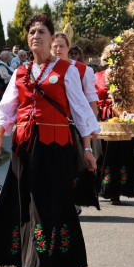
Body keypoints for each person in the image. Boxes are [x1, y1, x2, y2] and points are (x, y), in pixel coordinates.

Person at [0, 12, 100, 267]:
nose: (35, 36)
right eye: (32, 32)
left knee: (47, 204)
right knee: (24, 202)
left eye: (41, 32)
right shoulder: (20, 71)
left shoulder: (66, 71)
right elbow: (8, 107)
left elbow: (81, 111)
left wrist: (87, 148)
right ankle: (41, 265)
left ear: (52, 39)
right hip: (25, 148)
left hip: (56, 148)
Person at [51, 32, 100, 213]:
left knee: (76, 164)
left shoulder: (82, 69)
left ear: (68, 48)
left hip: (77, 124)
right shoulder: (45, 68)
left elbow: (91, 100)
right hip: (57, 123)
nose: (57, 49)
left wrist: (91, 124)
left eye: (61, 46)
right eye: (54, 46)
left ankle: (74, 200)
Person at [93, 44, 134, 205]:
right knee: (101, 154)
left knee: (121, 155)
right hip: (102, 117)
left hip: (122, 117)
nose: (114, 61)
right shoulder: (96, 76)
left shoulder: (127, 77)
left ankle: (116, 192)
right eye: (111, 57)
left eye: (118, 58)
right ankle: (100, 188)